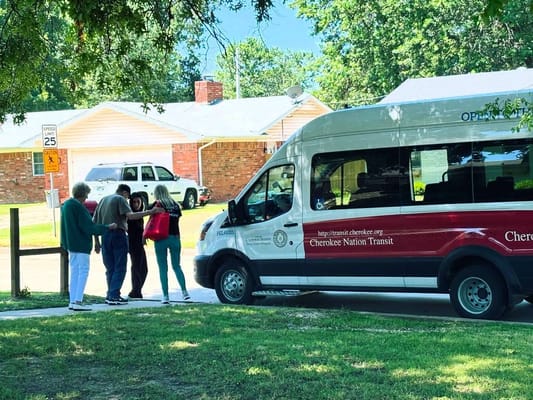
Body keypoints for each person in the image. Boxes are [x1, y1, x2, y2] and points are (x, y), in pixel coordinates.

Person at [93, 184, 162, 305]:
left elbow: (95, 222)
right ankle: (114, 295)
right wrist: (151, 211)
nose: (127, 199)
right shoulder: (119, 199)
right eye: (128, 197)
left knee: (110, 268)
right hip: (118, 235)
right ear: (125, 193)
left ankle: (110, 294)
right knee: (120, 267)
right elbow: (131, 216)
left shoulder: (104, 200)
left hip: (105, 236)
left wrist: (96, 242)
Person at [60, 182, 117, 311]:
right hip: (81, 244)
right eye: (86, 196)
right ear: (83, 194)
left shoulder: (67, 205)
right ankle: (78, 301)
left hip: (70, 244)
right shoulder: (78, 207)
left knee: (74, 272)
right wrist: (108, 227)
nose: (86, 199)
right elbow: (89, 227)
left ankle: (73, 300)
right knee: (83, 271)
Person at [149, 184, 190, 304]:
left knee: (163, 268)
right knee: (177, 266)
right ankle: (184, 292)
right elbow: (176, 221)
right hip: (175, 237)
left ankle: (165, 296)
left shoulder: (157, 205)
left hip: (161, 237)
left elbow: (152, 221)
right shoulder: (176, 205)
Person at [127, 192, 148, 299]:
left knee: (143, 268)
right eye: (134, 202)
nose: (136, 204)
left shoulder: (140, 214)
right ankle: (136, 291)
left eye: (138, 202)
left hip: (139, 243)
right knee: (137, 267)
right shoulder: (131, 214)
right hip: (132, 243)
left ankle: (137, 290)